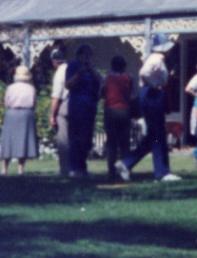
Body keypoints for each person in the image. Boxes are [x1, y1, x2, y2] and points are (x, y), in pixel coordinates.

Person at [116, 31, 181, 182]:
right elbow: (144, 73)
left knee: (154, 136)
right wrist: (154, 85)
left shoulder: (157, 59)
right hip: (152, 96)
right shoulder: (156, 59)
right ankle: (162, 172)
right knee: (158, 135)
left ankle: (127, 163)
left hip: (153, 96)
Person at [64, 43, 101, 179]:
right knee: (76, 137)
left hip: (89, 106)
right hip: (77, 105)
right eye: (84, 54)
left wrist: (91, 70)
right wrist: (78, 74)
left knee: (86, 137)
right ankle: (74, 168)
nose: (87, 56)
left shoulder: (91, 69)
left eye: (89, 54)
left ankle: (83, 167)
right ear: (79, 54)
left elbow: (99, 82)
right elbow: (68, 85)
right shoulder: (73, 66)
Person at [0, 65, 39, 175]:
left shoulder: (10, 88)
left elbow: (6, 103)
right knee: (23, 141)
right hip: (26, 114)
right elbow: (34, 103)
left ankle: (4, 168)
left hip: (11, 113)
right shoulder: (31, 89)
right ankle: (20, 169)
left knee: (8, 141)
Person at [101, 54, 134, 181]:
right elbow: (132, 94)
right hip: (124, 110)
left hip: (110, 110)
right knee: (125, 143)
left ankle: (111, 171)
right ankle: (126, 168)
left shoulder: (106, 79)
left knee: (111, 143)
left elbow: (102, 94)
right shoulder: (129, 78)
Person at [48, 47, 70, 175]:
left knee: (63, 138)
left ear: (54, 62)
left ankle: (64, 168)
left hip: (65, 104)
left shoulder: (59, 73)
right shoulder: (70, 68)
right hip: (77, 104)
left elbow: (56, 97)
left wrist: (52, 116)